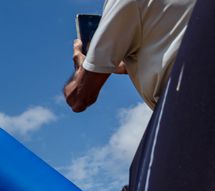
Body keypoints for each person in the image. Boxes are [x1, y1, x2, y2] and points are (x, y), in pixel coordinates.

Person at [63, 0, 197, 113]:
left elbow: (79, 97)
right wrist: (124, 65)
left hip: (186, 106)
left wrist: (83, 66)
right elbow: (172, 40)